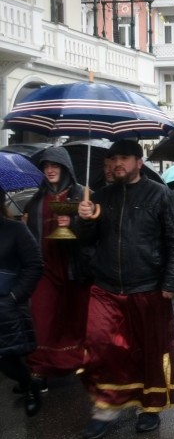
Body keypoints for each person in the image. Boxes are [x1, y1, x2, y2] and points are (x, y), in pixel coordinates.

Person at [75, 140, 174, 439]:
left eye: (124, 158)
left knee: (149, 351)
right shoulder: (100, 197)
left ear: (139, 161)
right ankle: (104, 409)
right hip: (106, 287)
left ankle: (149, 408)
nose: (117, 164)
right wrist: (85, 220)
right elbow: (85, 241)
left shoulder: (161, 195)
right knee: (100, 346)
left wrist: (170, 282)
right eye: (113, 159)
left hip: (147, 286)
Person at [23, 146, 91, 385]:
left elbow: (93, 233)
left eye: (55, 165)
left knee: (74, 318)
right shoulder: (37, 199)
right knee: (42, 317)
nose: (50, 170)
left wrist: (75, 221)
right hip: (45, 268)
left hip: (74, 266)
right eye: (46, 166)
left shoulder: (82, 194)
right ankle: (39, 367)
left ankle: (75, 361)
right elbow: (29, 235)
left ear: (65, 168)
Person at [0, 183, 45, 419]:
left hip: (6, 306)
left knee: (8, 363)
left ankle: (29, 386)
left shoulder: (15, 230)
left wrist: (15, 297)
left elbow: (35, 265)